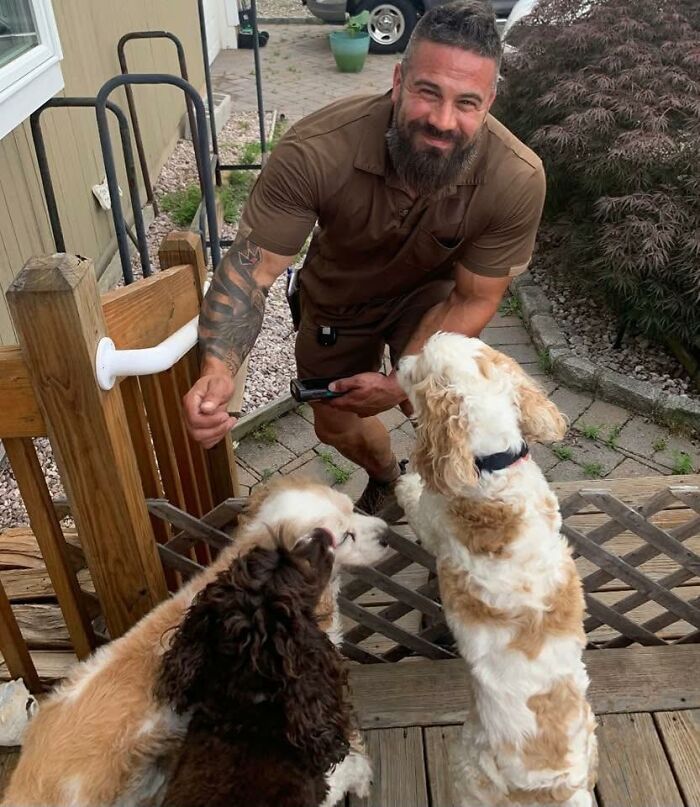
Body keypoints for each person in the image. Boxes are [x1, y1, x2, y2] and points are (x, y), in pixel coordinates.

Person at [182, 0, 546, 517]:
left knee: (441, 407)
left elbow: (474, 296)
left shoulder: (516, 177)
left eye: (467, 102)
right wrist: (218, 371)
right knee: (333, 423)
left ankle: (459, 509)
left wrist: (402, 380)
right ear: (398, 80)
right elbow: (252, 270)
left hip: (433, 300)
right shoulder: (316, 149)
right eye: (428, 92)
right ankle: (386, 481)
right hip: (338, 297)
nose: (443, 121)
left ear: (490, 100)